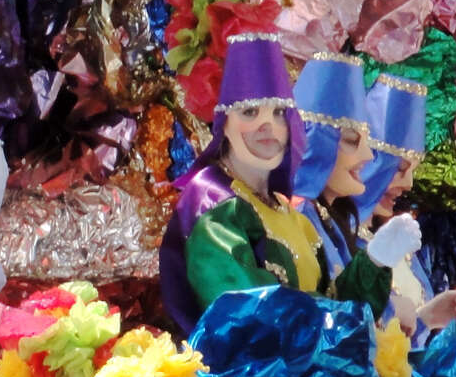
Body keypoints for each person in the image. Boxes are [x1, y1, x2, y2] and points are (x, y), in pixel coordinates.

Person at [159, 34, 388, 334]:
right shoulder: (213, 200)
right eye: (250, 112)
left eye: (279, 113)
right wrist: (334, 321)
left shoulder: (289, 213)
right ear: (225, 124)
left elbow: (337, 305)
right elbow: (246, 312)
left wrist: (375, 262)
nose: (267, 126)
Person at [292, 52, 419, 321]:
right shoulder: (297, 218)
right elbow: (313, 319)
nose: (368, 156)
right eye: (351, 141)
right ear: (314, 141)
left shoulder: (331, 221)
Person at [355, 74, 456, 344]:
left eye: (413, 170)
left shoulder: (402, 244)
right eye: (399, 168)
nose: (408, 184)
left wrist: (428, 318)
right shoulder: (330, 236)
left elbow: (402, 347)